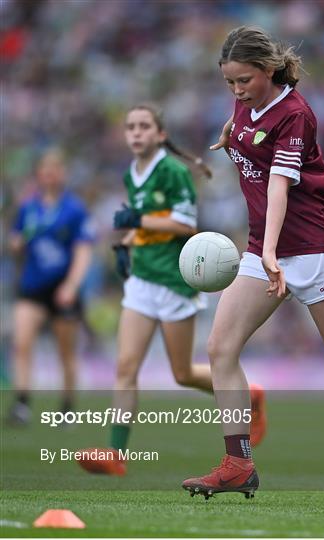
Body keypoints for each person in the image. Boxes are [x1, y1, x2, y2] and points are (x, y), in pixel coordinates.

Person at [182, 26, 324, 508]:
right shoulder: (246, 102)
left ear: (267, 70)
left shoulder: (296, 114)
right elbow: (246, 126)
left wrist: (269, 253)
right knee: (221, 346)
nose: (237, 90)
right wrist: (231, 136)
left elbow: (280, 189)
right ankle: (238, 463)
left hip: (314, 247)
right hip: (263, 246)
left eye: (244, 80)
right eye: (229, 83)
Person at [77, 103, 266, 476]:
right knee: (126, 366)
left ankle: (251, 396)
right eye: (130, 126)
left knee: (181, 373)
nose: (135, 132)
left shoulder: (173, 171)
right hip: (142, 280)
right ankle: (116, 453)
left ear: (160, 134)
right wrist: (129, 240)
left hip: (174, 283)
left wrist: (137, 219)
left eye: (144, 126)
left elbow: (183, 223)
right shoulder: (134, 172)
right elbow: (146, 219)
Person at [7, 148, 94, 425]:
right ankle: (22, 403)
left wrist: (71, 285)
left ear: (62, 174)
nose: (49, 175)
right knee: (21, 343)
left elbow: (83, 251)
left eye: (54, 169)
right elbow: (16, 241)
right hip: (32, 286)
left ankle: (67, 408)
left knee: (65, 351)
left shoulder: (74, 209)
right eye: (44, 170)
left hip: (62, 288)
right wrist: (15, 244)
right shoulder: (27, 208)